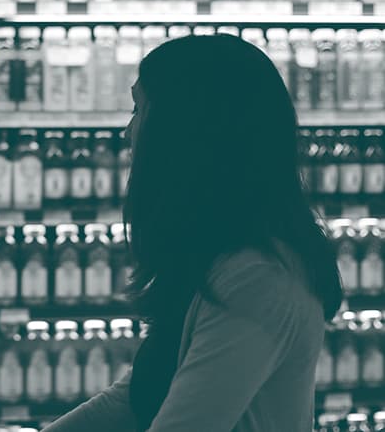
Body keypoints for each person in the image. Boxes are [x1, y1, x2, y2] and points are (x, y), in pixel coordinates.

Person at [42, 34, 343, 432]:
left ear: (183, 132)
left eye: (139, 109)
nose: (129, 131)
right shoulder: (217, 255)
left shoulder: (258, 277)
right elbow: (136, 398)